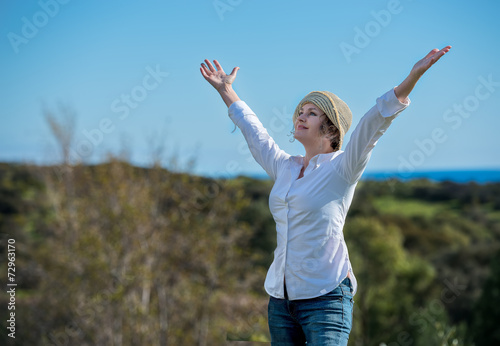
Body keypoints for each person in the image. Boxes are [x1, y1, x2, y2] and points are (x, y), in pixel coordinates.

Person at [200, 46, 452, 345]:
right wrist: (227, 91)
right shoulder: (285, 167)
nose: (300, 117)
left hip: (326, 298)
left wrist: (413, 77)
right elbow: (255, 133)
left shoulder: (343, 167)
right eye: (300, 112)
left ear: (331, 128)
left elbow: (373, 124)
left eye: (312, 112)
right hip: (280, 301)